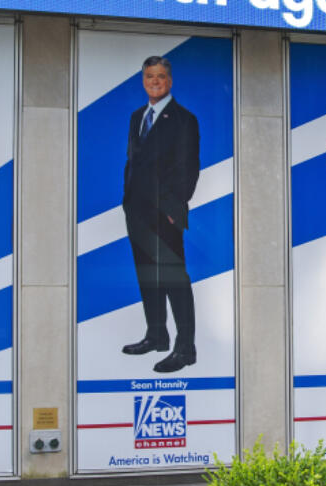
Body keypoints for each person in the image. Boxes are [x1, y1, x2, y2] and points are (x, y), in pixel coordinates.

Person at [121, 55, 200, 374]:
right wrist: (126, 199)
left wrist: (174, 208)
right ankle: (157, 334)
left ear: (170, 81)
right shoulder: (137, 116)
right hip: (136, 209)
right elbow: (132, 161)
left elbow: (189, 167)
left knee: (173, 278)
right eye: (149, 77)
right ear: (144, 80)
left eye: (161, 76)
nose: (155, 81)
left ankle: (186, 347)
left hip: (164, 213)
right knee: (147, 276)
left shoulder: (184, 119)